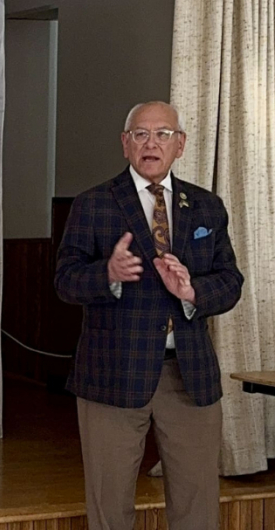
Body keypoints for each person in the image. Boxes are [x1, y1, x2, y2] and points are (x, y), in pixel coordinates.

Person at [55, 101, 243, 529]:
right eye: (140, 134)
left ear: (180, 145)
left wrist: (192, 289)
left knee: (197, 508)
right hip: (112, 376)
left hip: (189, 375)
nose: (151, 143)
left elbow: (230, 281)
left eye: (162, 134)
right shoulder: (93, 204)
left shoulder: (207, 207)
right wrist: (108, 273)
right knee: (109, 507)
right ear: (125, 144)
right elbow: (65, 280)